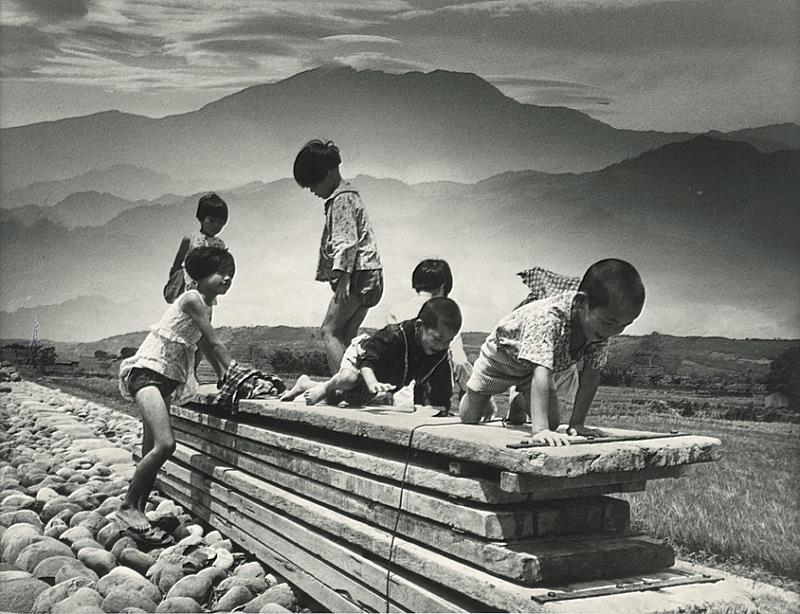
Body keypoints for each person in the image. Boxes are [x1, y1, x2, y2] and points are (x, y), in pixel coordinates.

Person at [116, 246, 237, 544]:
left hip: (164, 381)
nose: (227, 279)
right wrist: (237, 371)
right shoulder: (193, 299)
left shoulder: (205, 305)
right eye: (220, 273)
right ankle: (128, 506)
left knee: (151, 451)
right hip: (146, 375)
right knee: (165, 444)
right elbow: (214, 341)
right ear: (199, 276)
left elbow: (207, 350)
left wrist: (226, 376)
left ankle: (139, 511)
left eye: (231, 274)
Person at [460, 259, 645, 446]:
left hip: (530, 374)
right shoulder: (547, 318)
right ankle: (480, 395)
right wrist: (540, 430)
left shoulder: (599, 333)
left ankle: (518, 398)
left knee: (553, 423)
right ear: (581, 302)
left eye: (625, 325)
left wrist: (577, 423)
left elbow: (592, 375)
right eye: (609, 322)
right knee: (470, 417)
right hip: (500, 362)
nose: (614, 331)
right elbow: (542, 372)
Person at [293, 140, 383, 374]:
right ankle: (356, 386)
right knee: (347, 334)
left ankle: (344, 387)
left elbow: (347, 241)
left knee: (329, 331)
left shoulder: (341, 199)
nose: (313, 190)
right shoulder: (352, 195)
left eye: (315, 182)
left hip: (356, 275)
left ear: (330, 173)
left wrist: (343, 278)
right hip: (371, 273)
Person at [281, 297, 461, 413]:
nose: (443, 346)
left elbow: (440, 383)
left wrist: (440, 408)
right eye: (438, 338)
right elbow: (368, 360)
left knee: (346, 399)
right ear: (420, 326)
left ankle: (304, 383)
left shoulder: (438, 351)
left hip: (378, 378)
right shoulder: (395, 336)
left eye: (448, 341)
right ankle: (326, 386)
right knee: (348, 380)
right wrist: (372, 382)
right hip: (363, 357)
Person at [387, 259, 474, 406]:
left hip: (398, 394)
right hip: (433, 397)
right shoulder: (444, 315)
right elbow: (459, 361)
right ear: (444, 286)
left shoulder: (396, 309)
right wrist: (469, 391)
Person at [167, 192, 229, 298]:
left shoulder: (220, 245)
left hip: (208, 291)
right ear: (201, 218)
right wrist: (175, 283)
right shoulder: (190, 239)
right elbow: (177, 264)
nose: (216, 225)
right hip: (187, 289)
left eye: (220, 222)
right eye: (211, 221)